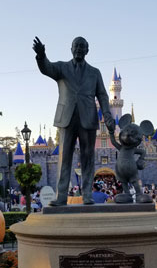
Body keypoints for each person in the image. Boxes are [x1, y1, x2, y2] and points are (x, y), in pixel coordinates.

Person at [33, 36, 115, 205]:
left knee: (88, 157)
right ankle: (61, 196)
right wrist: (41, 56)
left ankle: (87, 195)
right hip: (67, 118)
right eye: (76, 46)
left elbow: (103, 95)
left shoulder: (94, 72)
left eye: (82, 46)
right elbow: (46, 68)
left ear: (87, 50)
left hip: (88, 118)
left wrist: (107, 114)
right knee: (64, 157)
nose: (78, 49)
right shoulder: (62, 68)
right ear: (71, 49)